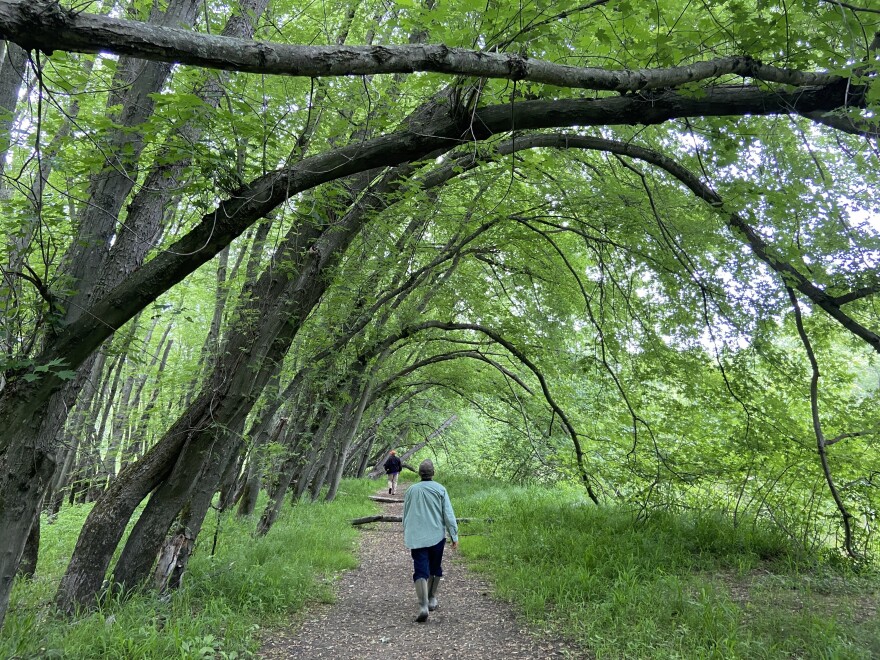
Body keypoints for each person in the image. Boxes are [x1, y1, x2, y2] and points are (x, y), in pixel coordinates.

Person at [402, 459, 458, 623]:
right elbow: (448, 514)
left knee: (420, 569)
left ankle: (423, 605)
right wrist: (454, 535)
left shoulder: (411, 490)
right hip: (436, 537)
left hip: (416, 537)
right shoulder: (440, 489)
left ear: (420, 474)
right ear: (433, 473)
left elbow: (406, 514)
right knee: (434, 567)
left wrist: (406, 531)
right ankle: (432, 597)